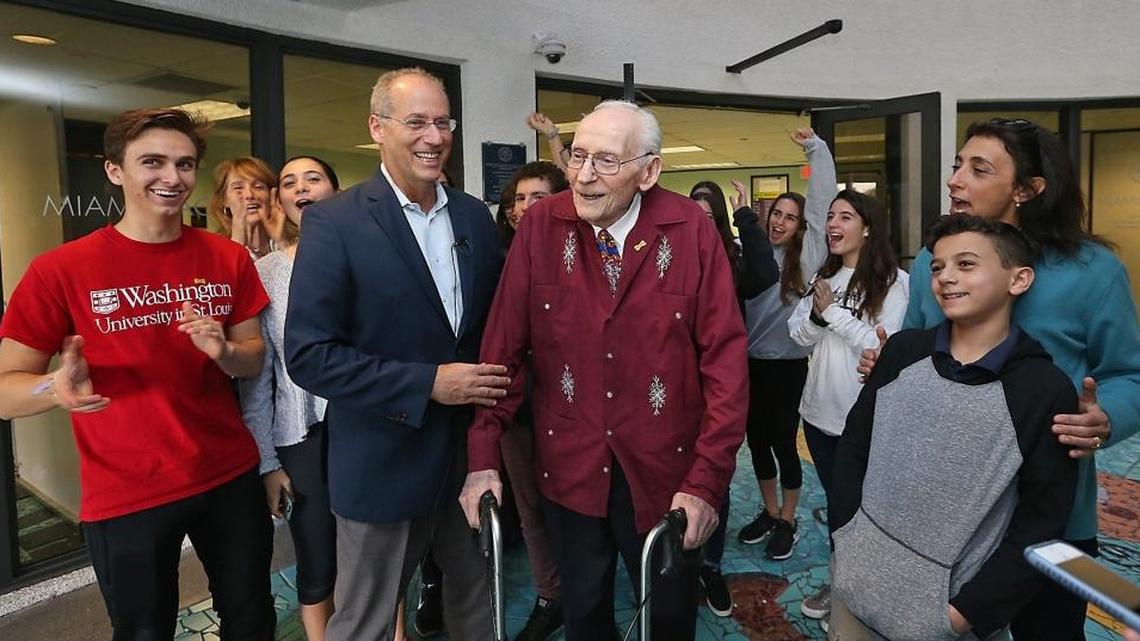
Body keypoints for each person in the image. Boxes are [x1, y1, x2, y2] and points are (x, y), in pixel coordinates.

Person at [460, 100, 748, 641]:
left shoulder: (690, 230)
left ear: (650, 170)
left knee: (667, 619)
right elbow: (503, 349)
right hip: (568, 465)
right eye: (578, 156)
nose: (584, 176)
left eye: (607, 161)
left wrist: (707, 484)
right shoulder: (542, 226)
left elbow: (726, 367)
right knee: (585, 615)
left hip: (666, 475)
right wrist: (482, 457)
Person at [857, 117, 1140, 641]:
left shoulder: (1093, 272)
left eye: (978, 169)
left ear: (1028, 190)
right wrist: (887, 368)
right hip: (940, 509)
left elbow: (1130, 374)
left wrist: (1104, 419)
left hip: (1050, 518)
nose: (955, 180)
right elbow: (916, 350)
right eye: (956, 165)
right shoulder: (931, 266)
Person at [0, 108, 274, 641]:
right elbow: (5, 390)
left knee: (252, 618)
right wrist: (52, 388)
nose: (172, 178)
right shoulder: (60, 270)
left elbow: (254, 356)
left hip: (227, 475)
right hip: (128, 490)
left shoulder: (227, 258)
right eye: (153, 162)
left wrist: (224, 352)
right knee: (143, 631)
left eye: (185, 163)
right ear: (114, 171)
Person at [285, 67, 507, 641]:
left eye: (442, 122)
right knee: (365, 621)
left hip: (467, 460)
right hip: (381, 462)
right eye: (416, 122)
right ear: (376, 128)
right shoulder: (335, 223)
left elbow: (490, 332)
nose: (433, 137)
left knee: (476, 606)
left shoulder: (473, 218)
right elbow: (309, 355)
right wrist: (426, 383)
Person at [828, 214, 1079, 641]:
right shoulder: (903, 352)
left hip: (949, 619)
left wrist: (964, 614)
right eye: (938, 267)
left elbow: (1041, 523)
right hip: (855, 588)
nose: (945, 277)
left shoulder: (1041, 390)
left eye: (965, 264)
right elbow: (855, 445)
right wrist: (845, 541)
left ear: (1018, 280)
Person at [788, 188, 910, 629]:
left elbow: (885, 346)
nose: (833, 225)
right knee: (841, 507)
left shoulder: (895, 283)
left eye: (845, 216)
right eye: (831, 217)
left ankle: (857, 592)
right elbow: (797, 334)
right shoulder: (825, 278)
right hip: (818, 417)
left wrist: (833, 315)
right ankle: (844, 585)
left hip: (865, 421)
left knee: (858, 509)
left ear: (868, 227)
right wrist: (819, 316)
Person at [240, 155, 340, 641]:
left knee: (376, 553)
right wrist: (266, 463)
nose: (301, 188)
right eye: (289, 183)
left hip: (365, 427)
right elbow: (259, 380)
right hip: (300, 437)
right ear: (280, 199)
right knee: (317, 554)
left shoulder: (368, 257)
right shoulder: (265, 274)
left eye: (313, 178)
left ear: (336, 193)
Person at [737, 128, 835, 563]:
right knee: (756, 441)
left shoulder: (808, 258)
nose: (779, 221)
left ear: (802, 228)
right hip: (749, 365)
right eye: (776, 213)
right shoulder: (751, 253)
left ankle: (789, 520)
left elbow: (822, 202)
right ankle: (770, 511)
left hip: (788, 367)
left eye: (789, 217)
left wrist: (816, 148)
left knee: (781, 442)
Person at [688, 179, 778, 616]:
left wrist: (746, 217)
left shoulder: (732, 260)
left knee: (714, 476)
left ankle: (709, 565)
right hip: (671, 390)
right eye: (695, 216)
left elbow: (766, 274)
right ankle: (675, 562)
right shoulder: (663, 259)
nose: (700, 226)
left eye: (710, 218)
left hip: (720, 387)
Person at [208, 156, 278, 258]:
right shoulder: (211, 249)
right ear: (224, 200)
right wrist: (237, 242)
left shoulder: (290, 243)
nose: (249, 195)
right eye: (238, 188)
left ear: (271, 195)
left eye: (258, 187)